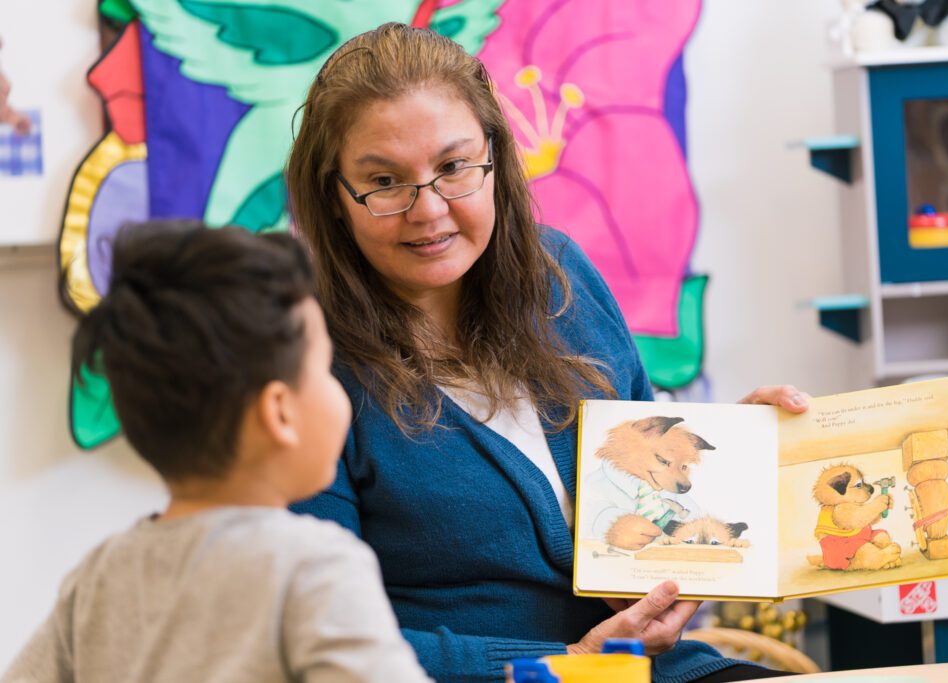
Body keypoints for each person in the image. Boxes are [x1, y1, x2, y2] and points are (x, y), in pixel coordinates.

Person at [286, 22, 806, 682]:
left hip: (656, 672)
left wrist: (737, 460)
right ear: (335, 199)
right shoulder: (303, 369)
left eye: (453, 167)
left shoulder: (561, 274)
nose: (429, 209)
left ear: (496, 160)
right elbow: (318, 639)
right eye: (384, 180)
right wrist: (570, 664)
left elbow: (647, 499)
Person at [1, 221, 432, 683]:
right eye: (324, 368)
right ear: (280, 413)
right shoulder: (315, 568)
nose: (336, 387)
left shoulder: (99, 578)